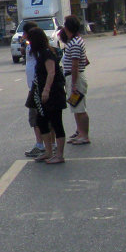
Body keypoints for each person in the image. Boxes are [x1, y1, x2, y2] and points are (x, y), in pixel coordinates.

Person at [24, 28, 67, 164]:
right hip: (43, 94)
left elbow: (51, 73)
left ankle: (59, 155)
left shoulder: (47, 54)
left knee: (56, 123)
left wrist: (46, 90)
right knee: (42, 121)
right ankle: (48, 151)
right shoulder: (40, 54)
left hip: (53, 93)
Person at [60, 16, 92, 146]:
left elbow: (75, 65)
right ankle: (80, 132)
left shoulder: (75, 43)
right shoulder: (74, 41)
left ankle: (84, 135)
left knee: (80, 108)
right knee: (75, 107)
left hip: (75, 78)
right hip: (73, 77)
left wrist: (73, 84)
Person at [19, 22, 46, 158]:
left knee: (36, 118)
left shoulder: (37, 48)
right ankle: (43, 144)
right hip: (34, 86)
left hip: (37, 87)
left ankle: (42, 144)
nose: (23, 36)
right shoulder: (32, 47)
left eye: (24, 33)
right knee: (38, 117)